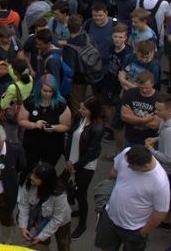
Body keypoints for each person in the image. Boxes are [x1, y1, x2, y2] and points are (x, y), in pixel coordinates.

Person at [95, 145, 170, 251]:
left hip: (134, 229)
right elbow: (114, 171)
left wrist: (143, 232)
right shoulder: (127, 154)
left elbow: (161, 212)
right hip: (110, 219)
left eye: (131, 166)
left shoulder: (160, 182)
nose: (128, 166)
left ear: (145, 166)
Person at [65, 95, 104, 239]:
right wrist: (68, 158)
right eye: (81, 107)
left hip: (86, 164)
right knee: (70, 186)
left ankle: (82, 224)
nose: (80, 110)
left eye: (84, 109)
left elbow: (92, 152)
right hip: (73, 160)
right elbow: (70, 137)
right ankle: (77, 210)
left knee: (81, 192)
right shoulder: (78, 118)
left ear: (92, 111)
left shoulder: (97, 128)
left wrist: (76, 165)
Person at [17, 74, 72, 173]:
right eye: (45, 91)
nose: (47, 94)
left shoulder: (61, 104)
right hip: (32, 144)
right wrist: (34, 125)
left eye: (50, 91)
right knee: (28, 169)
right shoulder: (30, 101)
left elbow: (66, 125)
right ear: (39, 89)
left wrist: (54, 128)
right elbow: (21, 120)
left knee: (46, 172)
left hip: (53, 145)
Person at [17, 162, 73, 250]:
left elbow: (57, 219)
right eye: (32, 174)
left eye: (36, 177)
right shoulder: (29, 182)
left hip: (61, 221)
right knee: (40, 245)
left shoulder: (60, 194)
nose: (31, 177)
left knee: (63, 243)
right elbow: (24, 204)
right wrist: (23, 226)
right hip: (41, 217)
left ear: (46, 181)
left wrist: (41, 236)